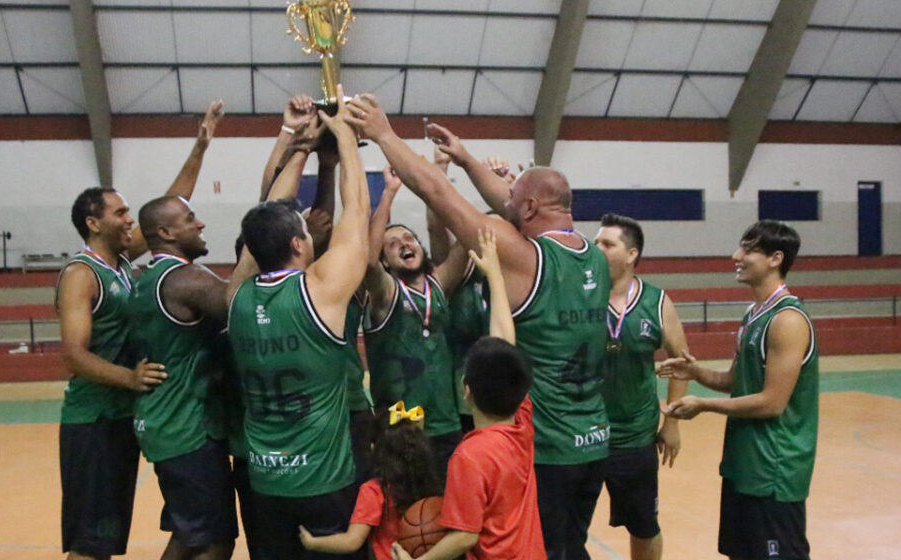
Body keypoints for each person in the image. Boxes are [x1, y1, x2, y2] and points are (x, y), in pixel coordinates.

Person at [344, 94, 610, 560]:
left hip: (546, 448)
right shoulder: (595, 258)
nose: (503, 202)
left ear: (525, 209)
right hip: (594, 440)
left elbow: (438, 196)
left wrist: (385, 134)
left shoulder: (525, 259)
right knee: (573, 547)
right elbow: (517, 205)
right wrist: (465, 158)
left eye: (512, 200)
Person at [56, 101, 223, 560]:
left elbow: (166, 215)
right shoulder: (81, 274)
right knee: (90, 543)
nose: (130, 220)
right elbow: (73, 354)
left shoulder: (126, 265)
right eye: (120, 212)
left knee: (108, 537)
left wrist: (200, 148)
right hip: (93, 420)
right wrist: (130, 378)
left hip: (123, 417)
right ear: (94, 223)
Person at [227, 85, 370, 560]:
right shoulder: (321, 291)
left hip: (264, 482)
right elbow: (358, 211)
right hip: (322, 480)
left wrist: (302, 148)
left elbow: (263, 217)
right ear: (297, 246)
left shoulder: (237, 296)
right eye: (305, 231)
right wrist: (344, 138)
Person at [659, 220, 818, 560]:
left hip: (774, 470)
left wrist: (703, 405)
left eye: (747, 249)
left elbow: (772, 403)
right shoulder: (753, 314)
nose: (736, 256)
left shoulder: (787, 320)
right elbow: (735, 380)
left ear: (776, 258)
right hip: (743, 465)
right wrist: (695, 371)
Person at [391, 228, 545, 560]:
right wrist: (495, 275)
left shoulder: (469, 456)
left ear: (466, 391)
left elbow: (464, 536)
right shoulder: (522, 425)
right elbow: (505, 342)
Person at [128, 195, 257, 560]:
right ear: (166, 232)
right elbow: (235, 302)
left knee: (191, 534)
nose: (200, 224)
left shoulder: (146, 278)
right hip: (186, 428)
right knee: (212, 541)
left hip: (165, 423)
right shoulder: (183, 280)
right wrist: (255, 239)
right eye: (190, 218)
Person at [362, 164, 468, 480]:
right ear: (385, 260)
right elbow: (367, 261)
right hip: (399, 428)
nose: (405, 244)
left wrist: (435, 180)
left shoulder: (440, 284)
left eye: (409, 238)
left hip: (446, 423)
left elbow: (467, 235)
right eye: (393, 244)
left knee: (446, 514)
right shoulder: (385, 293)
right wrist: (390, 193)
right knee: (404, 520)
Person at [593, 213, 689, 560]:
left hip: (635, 437)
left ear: (631, 254)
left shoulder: (657, 302)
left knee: (644, 527)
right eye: (596, 241)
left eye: (607, 243)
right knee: (566, 526)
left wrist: (672, 421)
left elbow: (681, 364)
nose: (596, 247)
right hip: (581, 434)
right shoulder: (581, 297)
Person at [298, 401, 441, 559]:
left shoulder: (375, 490)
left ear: (374, 447)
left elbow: (352, 541)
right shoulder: (429, 480)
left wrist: (312, 542)